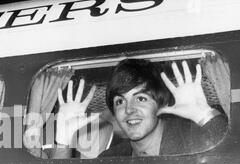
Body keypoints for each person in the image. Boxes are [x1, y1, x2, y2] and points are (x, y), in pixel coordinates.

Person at [53, 59, 227, 158]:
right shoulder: (110, 158)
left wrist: (204, 114)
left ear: (159, 105)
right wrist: (62, 141)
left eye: (141, 98)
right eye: (120, 102)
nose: (129, 110)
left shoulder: (195, 140)